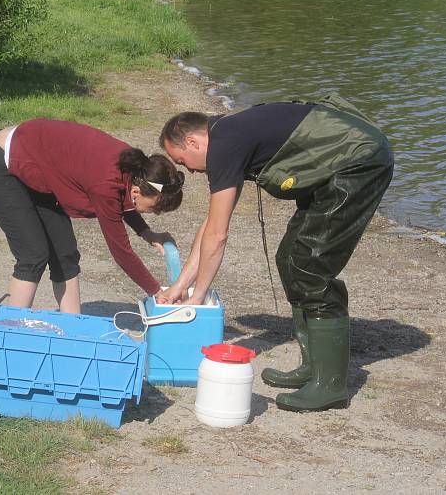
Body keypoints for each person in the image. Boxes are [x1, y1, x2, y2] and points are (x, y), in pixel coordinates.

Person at [157, 93, 394, 412]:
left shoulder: (226, 143)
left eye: (183, 160)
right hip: (335, 169)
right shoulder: (229, 137)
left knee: (310, 265)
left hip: (359, 162)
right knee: (290, 258)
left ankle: (330, 385)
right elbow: (211, 225)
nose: (191, 171)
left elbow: (218, 235)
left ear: (193, 140)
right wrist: (178, 288)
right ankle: (313, 368)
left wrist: (197, 297)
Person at [0, 118, 185, 314]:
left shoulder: (136, 168)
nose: (151, 213)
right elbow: (121, 252)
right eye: (153, 209)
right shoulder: (108, 182)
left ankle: (72, 328)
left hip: (39, 169)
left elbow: (124, 200)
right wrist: (156, 292)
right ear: (139, 191)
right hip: (0, 164)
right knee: (33, 254)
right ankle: (11, 332)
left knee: (65, 253)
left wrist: (147, 233)